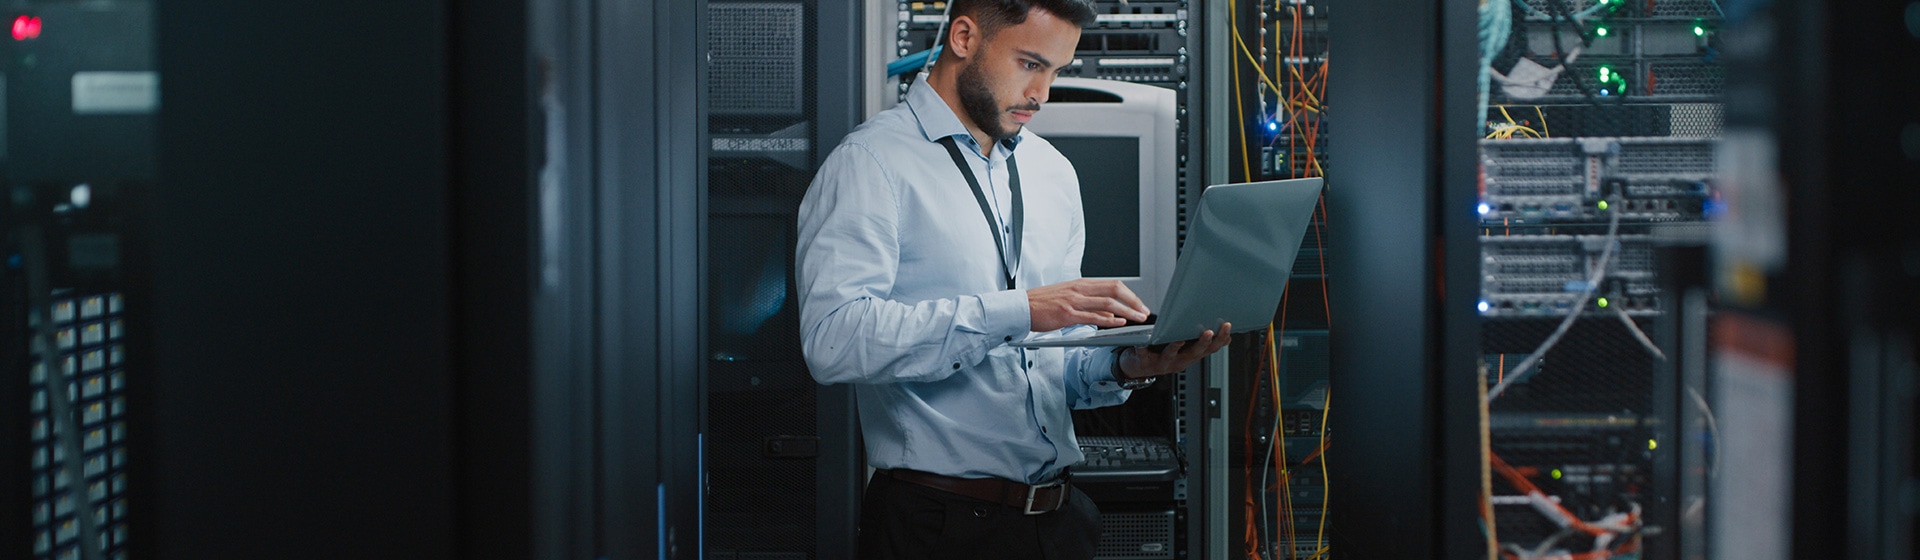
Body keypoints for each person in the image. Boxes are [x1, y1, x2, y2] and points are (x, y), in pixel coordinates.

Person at [795, 0, 1230, 558]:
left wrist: (1130, 363)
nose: (1043, 94)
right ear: (964, 37)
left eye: (1056, 71)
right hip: (937, 526)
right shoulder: (870, 164)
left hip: (1057, 520)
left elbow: (1052, 363)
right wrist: (1017, 309)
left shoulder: (1052, 172)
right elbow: (833, 341)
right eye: (1030, 64)